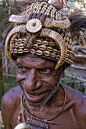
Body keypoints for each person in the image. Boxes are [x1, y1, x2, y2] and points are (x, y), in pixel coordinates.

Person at [1, 0, 86, 129]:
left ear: (63, 68)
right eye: (22, 68)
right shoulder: (11, 103)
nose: (30, 86)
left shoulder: (80, 113)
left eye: (45, 70)